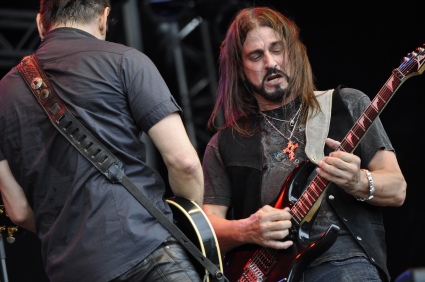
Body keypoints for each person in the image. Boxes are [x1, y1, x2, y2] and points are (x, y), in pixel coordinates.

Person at [0, 0, 205, 281]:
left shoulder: (2, 95)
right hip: (150, 250)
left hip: (71, 270)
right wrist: (192, 230)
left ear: (40, 23)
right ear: (103, 18)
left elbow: (19, 211)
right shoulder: (127, 61)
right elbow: (184, 163)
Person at [201, 6, 407, 282]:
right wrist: (246, 230)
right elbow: (206, 231)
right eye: (256, 56)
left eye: (277, 49)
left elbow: (397, 189)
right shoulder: (224, 143)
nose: (271, 63)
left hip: (344, 264)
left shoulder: (346, 105)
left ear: (294, 53)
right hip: (271, 273)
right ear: (240, 69)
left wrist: (358, 181)